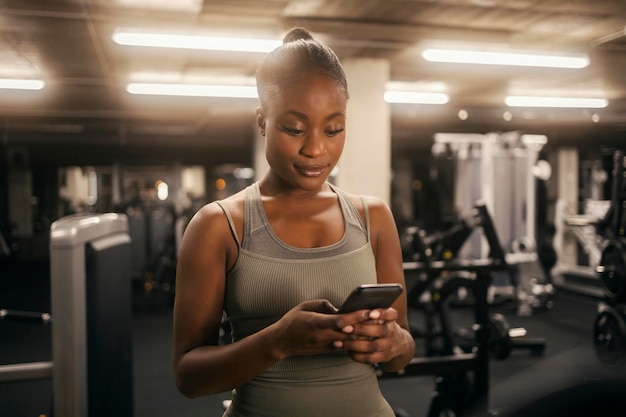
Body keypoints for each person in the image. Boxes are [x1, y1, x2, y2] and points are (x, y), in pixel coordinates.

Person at [172, 27, 415, 417]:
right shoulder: (218, 226)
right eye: (294, 129)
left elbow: (401, 355)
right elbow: (188, 377)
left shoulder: (374, 217)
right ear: (263, 121)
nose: (316, 149)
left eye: (334, 129)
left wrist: (392, 344)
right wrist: (278, 342)